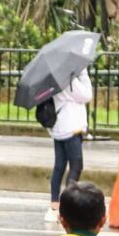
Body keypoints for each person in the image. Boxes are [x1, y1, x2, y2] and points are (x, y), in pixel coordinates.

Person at [46, 70, 92, 225]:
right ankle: (68, 205)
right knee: (76, 166)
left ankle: (54, 205)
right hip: (71, 127)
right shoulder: (68, 79)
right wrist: (83, 74)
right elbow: (87, 95)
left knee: (59, 166)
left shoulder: (52, 77)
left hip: (59, 127)